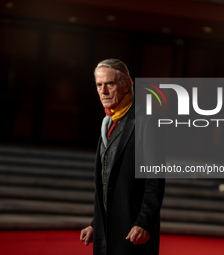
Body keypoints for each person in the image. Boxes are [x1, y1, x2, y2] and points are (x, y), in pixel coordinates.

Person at [80, 59, 165, 255]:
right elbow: (106, 180)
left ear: (126, 84)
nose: (103, 91)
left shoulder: (148, 120)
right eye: (99, 85)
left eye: (109, 84)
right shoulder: (108, 123)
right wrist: (96, 223)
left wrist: (145, 222)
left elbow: (155, 178)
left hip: (134, 230)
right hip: (106, 231)